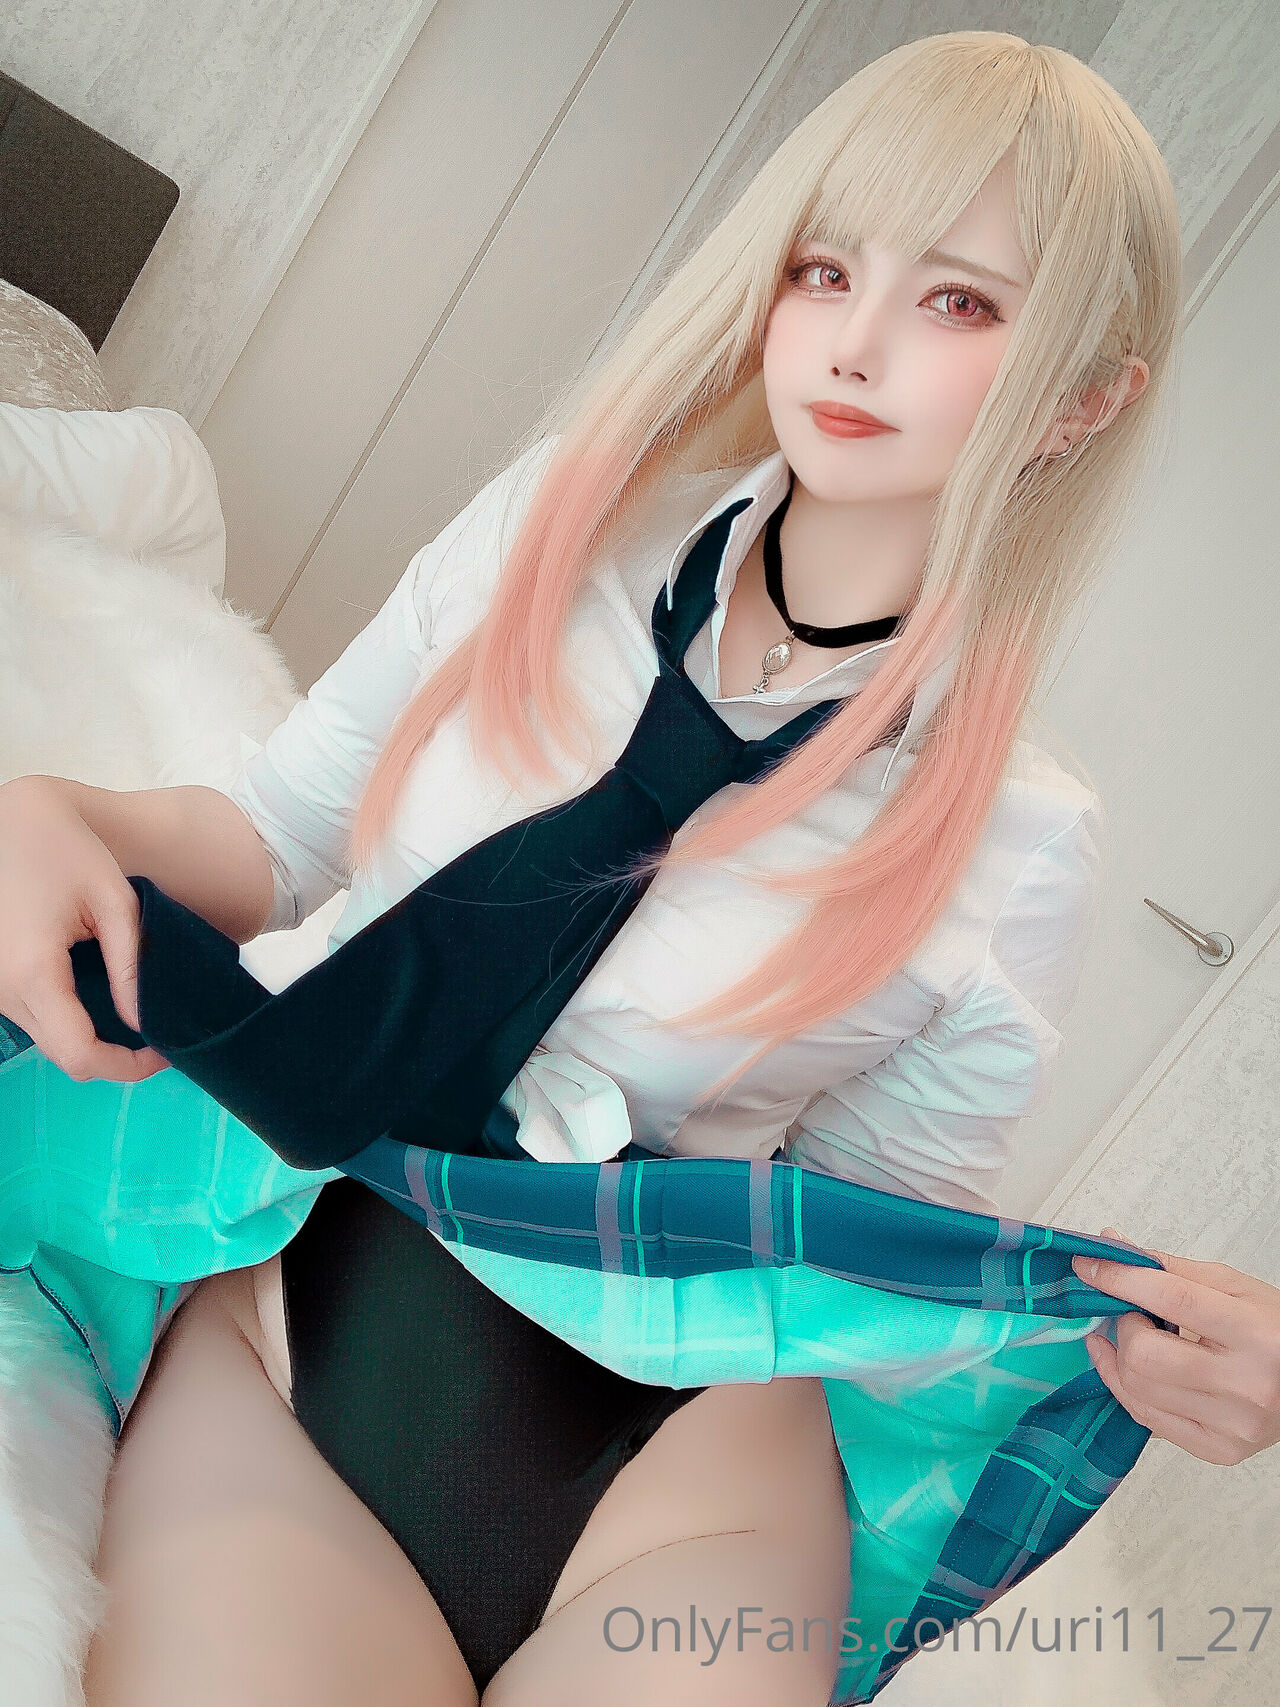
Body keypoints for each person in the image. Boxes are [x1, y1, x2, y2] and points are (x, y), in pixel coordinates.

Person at [4, 28, 1270, 1707]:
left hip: (694, 1481)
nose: (857, 342)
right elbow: (278, 834)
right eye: (826, 268)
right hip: (314, 1347)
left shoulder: (1021, 842)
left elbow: (866, 1250)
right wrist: (47, 807)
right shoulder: (558, 537)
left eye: (958, 301)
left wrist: (1128, 1334)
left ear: (1084, 401)